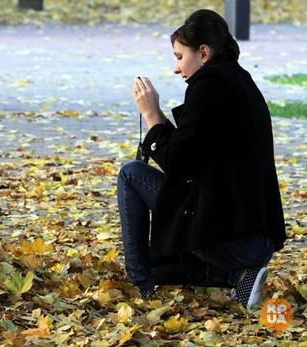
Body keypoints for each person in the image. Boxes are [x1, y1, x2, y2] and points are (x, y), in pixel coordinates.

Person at [117, 9, 286, 309]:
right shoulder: (237, 81)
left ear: (204, 52)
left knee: (131, 173)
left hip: (235, 240)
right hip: (256, 238)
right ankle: (239, 277)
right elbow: (191, 156)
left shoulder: (209, 88)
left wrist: (152, 115)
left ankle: (141, 284)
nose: (176, 68)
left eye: (179, 57)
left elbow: (178, 165)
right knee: (167, 255)